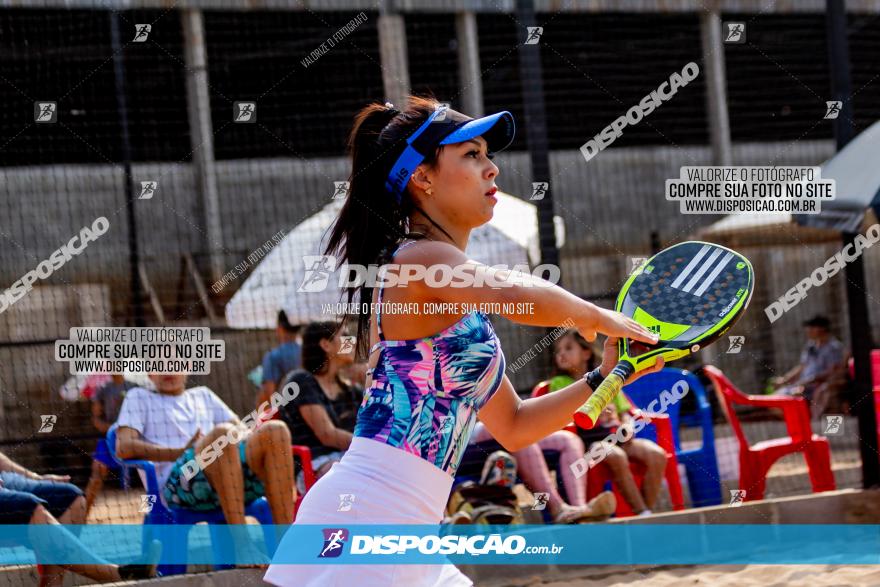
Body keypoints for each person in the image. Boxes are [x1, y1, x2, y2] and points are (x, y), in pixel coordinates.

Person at [264, 96, 662, 586]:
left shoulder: (461, 313)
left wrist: (607, 375)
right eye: (471, 155)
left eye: (486, 154)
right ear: (422, 177)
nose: (492, 168)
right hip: (368, 517)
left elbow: (515, 426)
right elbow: (514, 291)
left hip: (410, 532)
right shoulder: (412, 261)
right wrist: (595, 314)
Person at [115, 372, 296, 564]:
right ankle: (243, 548)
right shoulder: (138, 397)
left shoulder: (204, 395)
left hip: (229, 477)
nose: (167, 369)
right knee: (222, 434)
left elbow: (243, 431)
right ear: (150, 373)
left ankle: (287, 547)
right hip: (176, 487)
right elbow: (124, 447)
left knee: (276, 430)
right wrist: (180, 451)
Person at [549, 329, 668, 516]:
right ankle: (642, 513)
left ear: (586, 353)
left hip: (619, 438)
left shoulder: (610, 379)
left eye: (568, 348)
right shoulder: (558, 383)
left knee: (657, 455)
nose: (561, 354)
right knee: (616, 456)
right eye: (559, 350)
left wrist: (627, 425)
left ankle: (644, 513)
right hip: (588, 444)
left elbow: (625, 411)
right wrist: (595, 414)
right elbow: (561, 417)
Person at [0, 451, 159, 586]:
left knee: (71, 498)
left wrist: (36, 477)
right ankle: (120, 575)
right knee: (30, 507)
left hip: (4, 479)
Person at [469, 422, 616, 523]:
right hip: (466, 435)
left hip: (506, 424)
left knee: (569, 440)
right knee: (519, 435)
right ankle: (558, 509)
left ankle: (579, 509)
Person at [278, 321, 363, 494]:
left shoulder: (352, 390)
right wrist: (370, 447)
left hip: (353, 459)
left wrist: (372, 379)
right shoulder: (301, 381)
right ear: (326, 344)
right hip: (316, 465)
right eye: (345, 336)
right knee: (348, 475)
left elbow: (374, 426)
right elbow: (327, 435)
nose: (352, 340)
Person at [770, 315, 848, 419]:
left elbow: (833, 371)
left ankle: (806, 426)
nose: (808, 330)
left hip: (817, 387)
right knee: (773, 400)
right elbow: (801, 367)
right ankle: (798, 425)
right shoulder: (810, 346)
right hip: (802, 384)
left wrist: (810, 381)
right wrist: (784, 380)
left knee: (793, 398)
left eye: (812, 327)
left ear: (822, 329)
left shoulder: (834, 348)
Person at [85, 373, 139, 517]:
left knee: (152, 477)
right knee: (97, 472)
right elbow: (95, 418)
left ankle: (150, 514)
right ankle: (83, 515)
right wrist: (110, 428)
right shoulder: (103, 388)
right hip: (110, 438)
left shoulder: (134, 387)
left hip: (134, 437)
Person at [258, 310, 302, 409]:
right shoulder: (310, 350)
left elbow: (271, 396)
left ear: (280, 328)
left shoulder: (273, 356)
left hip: (287, 414)